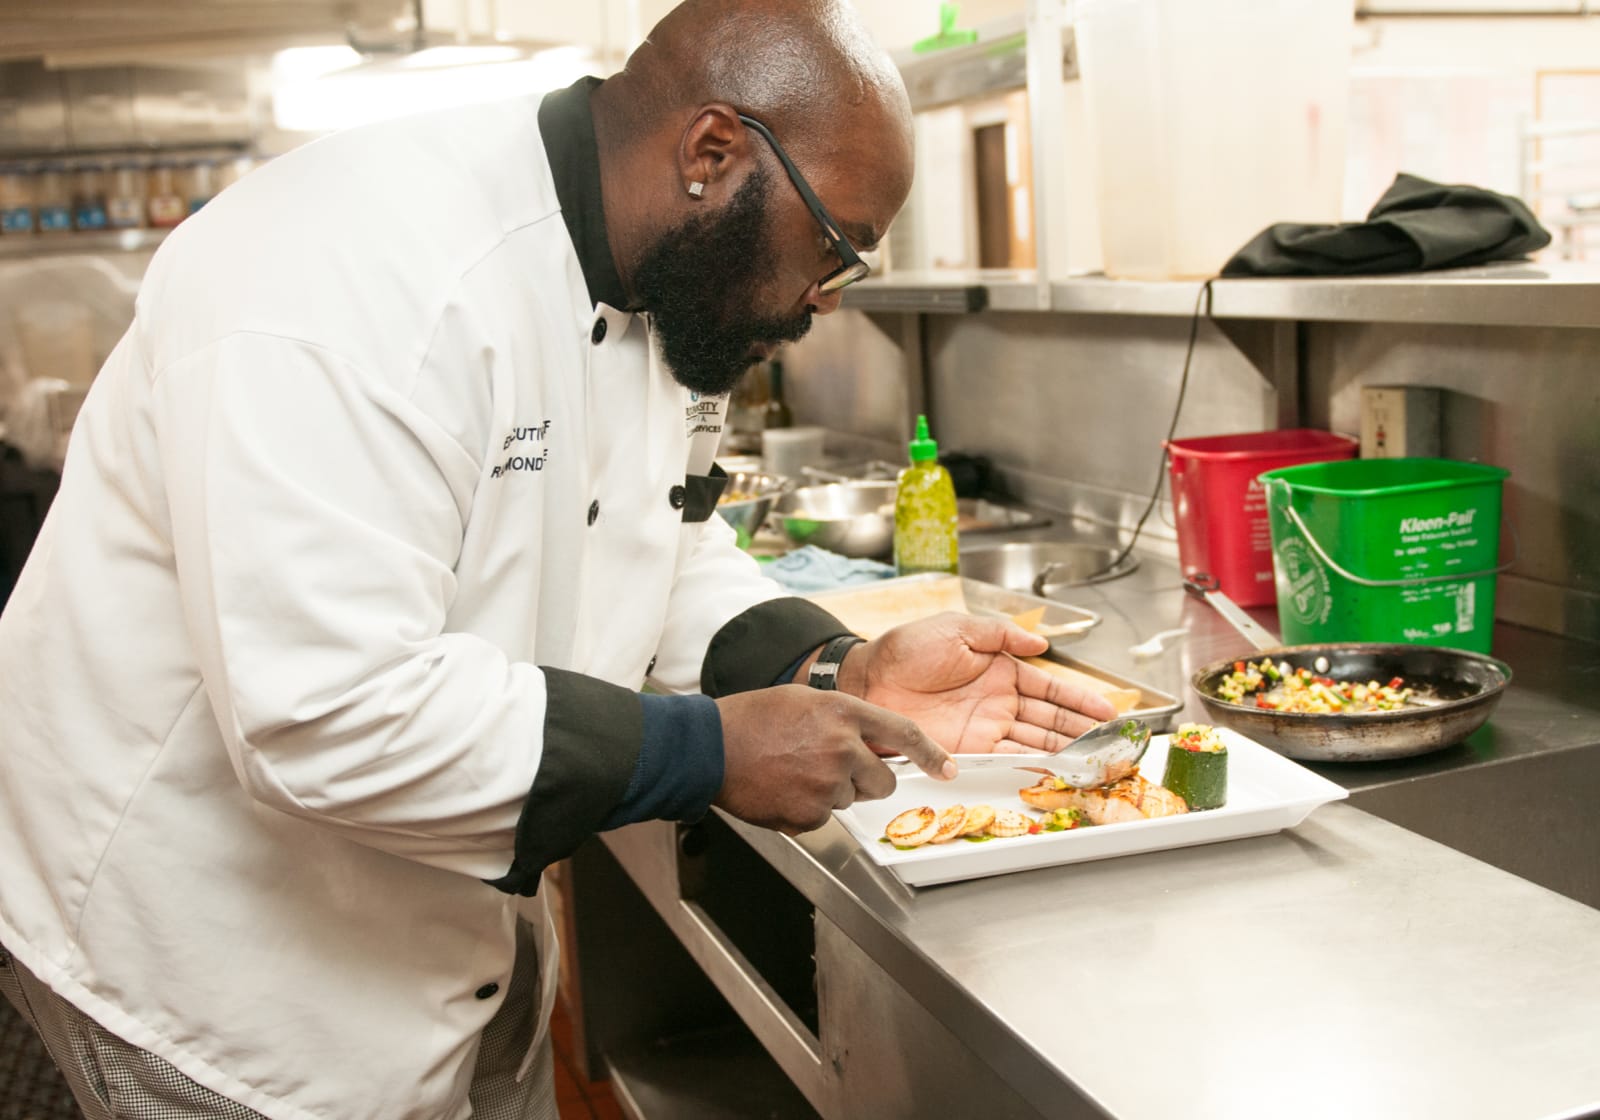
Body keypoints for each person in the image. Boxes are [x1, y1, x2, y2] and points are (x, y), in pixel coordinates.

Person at [0, 1, 1115, 1117]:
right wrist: (709, 749)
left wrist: (839, 669)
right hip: (219, 979)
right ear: (712, 151)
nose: (826, 294)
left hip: (448, 932)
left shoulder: (656, 283)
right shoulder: (347, 276)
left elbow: (661, 543)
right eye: (834, 243)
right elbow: (324, 709)